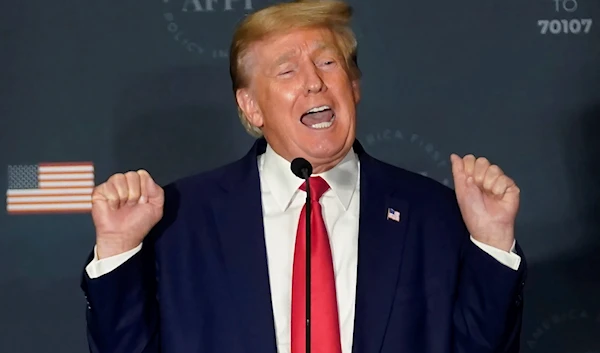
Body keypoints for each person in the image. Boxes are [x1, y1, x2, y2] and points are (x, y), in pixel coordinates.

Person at [80, 1, 526, 352]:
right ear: (250, 107)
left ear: (354, 86)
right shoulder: (181, 220)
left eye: (328, 64)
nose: (314, 83)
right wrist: (119, 250)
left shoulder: (431, 213)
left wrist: (491, 243)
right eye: (288, 70)